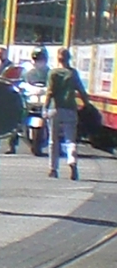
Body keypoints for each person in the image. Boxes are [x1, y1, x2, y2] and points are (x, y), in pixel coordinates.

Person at [45, 46, 84, 179]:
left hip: (54, 109)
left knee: (53, 140)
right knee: (70, 139)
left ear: (58, 58)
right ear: (69, 58)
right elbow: (81, 90)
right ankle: (72, 161)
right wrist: (87, 104)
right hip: (70, 109)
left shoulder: (53, 73)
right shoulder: (73, 73)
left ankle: (53, 169)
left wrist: (45, 108)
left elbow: (50, 92)